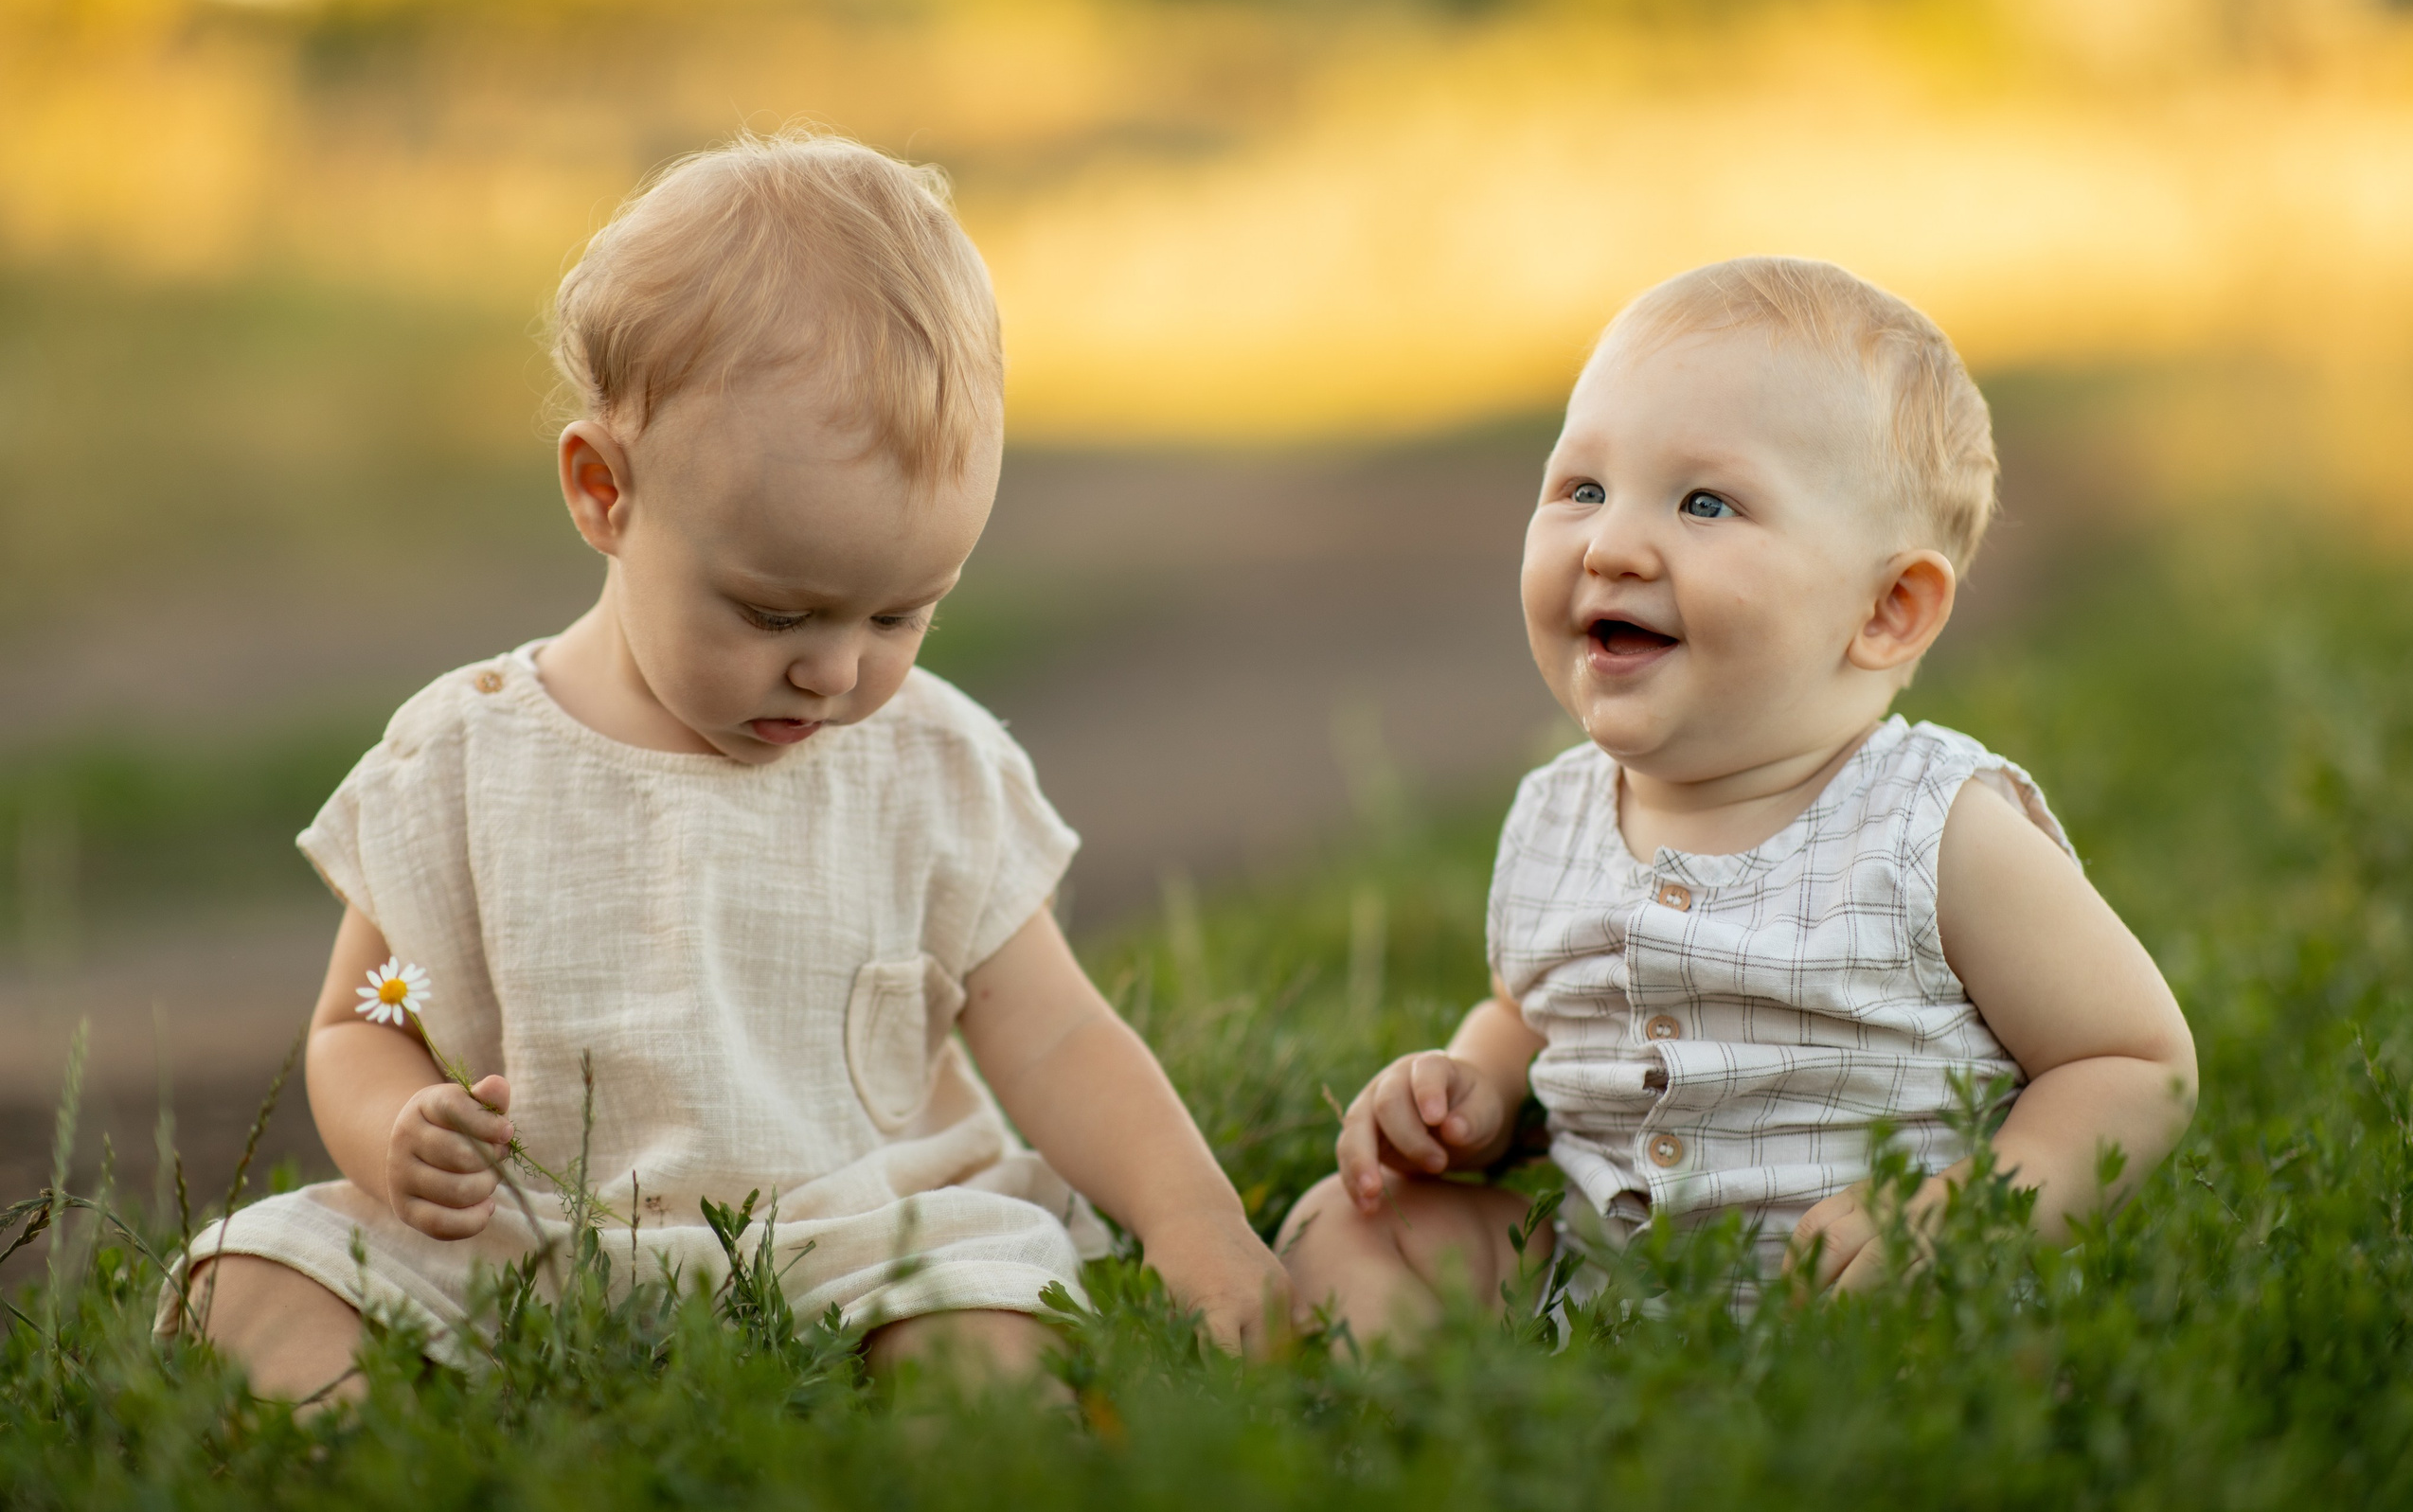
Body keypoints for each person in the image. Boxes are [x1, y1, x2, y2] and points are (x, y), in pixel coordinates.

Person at [167, 131, 1289, 1397]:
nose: (836, 671)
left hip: (859, 1232)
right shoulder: (468, 762)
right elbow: (361, 1022)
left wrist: (1195, 1217)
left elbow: (1058, 1035)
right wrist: (394, 1129)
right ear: (605, 491)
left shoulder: (925, 764)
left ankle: (954, 1449)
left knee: (980, 1321)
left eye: (900, 614)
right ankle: (345, 1449)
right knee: (256, 1278)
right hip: (531, 1238)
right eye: (775, 611)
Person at [1279, 257, 2198, 1340]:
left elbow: (2133, 1064)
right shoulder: (1555, 814)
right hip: (1601, 1278)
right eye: (1580, 488)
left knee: (1956, 1339)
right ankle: (1437, 1432)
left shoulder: (1931, 826)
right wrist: (1471, 1089)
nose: (1610, 542)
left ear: (1887, 608)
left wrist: (1965, 1213)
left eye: (1704, 502)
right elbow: (1535, 1010)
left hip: (1863, 1302)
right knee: (1348, 1220)